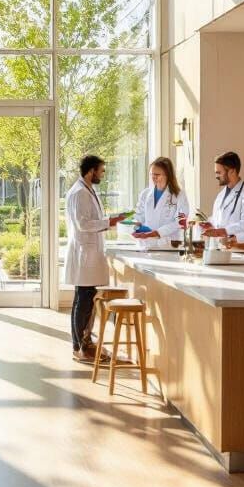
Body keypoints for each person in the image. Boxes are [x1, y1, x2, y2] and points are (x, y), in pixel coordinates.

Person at [66, 155, 131, 363]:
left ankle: (86, 344)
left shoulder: (87, 190)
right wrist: (110, 221)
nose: (102, 174)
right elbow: (83, 224)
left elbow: (91, 220)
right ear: (91, 171)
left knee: (85, 299)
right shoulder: (79, 193)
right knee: (83, 300)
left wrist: (111, 219)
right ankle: (80, 348)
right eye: (101, 171)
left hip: (88, 252)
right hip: (84, 253)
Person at [200, 151, 244, 241]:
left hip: (237, 247)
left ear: (232, 171)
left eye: (219, 172)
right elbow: (219, 220)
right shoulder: (221, 195)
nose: (216, 176)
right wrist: (209, 223)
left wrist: (224, 231)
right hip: (221, 246)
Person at [132, 157, 190, 241]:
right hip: (147, 243)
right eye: (152, 174)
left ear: (168, 175)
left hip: (168, 243)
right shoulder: (145, 194)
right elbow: (139, 216)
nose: (153, 177)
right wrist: (136, 225)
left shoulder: (179, 195)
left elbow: (180, 222)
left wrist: (157, 233)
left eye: (157, 175)